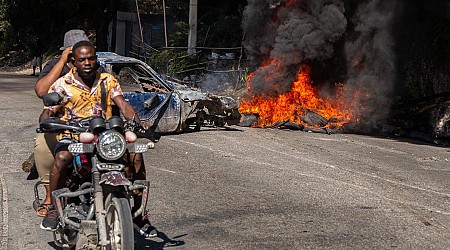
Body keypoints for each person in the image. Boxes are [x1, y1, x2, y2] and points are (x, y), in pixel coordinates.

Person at [39, 41, 155, 237]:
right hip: (74, 135)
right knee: (61, 158)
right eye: (82, 59)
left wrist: (137, 121)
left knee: (135, 156)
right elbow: (48, 111)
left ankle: (139, 215)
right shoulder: (62, 85)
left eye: (91, 58)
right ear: (73, 62)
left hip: (105, 136)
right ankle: (52, 206)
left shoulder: (108, 80)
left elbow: (122, 103)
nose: (87, 62)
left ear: (96, 59)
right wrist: (47, 121)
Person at [33, 29, 91, 218]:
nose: (83, 60)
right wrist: (62, 62)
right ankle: (50, 197)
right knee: (42, 146)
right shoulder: (56, 67)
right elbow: (42, 91)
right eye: (75, 53)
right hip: (61, 124)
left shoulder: (94, 67)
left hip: (90, 123)